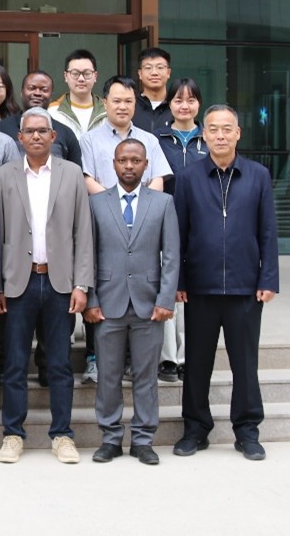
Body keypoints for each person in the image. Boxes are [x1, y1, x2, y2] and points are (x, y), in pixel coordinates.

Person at [173, 105, 279, 462]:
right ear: (203, 134)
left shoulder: (258, 175)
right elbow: (179, 233)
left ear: (238, 133)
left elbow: (268, 231)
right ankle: (195, 429)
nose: (220, 135)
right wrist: (179, 280)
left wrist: (268, 278)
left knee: (245, 364)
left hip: (245, 287)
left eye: (227, 129)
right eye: (214, 129)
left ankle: (247, 431)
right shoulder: (188, 177)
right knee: (197, 363)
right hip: (199, 288)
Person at [0, 108, 94, 465]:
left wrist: (82, 284)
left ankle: (62, 435)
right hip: (17, 284)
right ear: (19, 138)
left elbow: (84, 232)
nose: (36, 136)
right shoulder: (3, 176)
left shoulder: (71, 174)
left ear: (53, 137)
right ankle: (12, 435)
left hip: (60, 283)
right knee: (14, 364)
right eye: (29, 131)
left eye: (42, 131)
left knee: (60, 364)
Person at [85, 139, 181, 466]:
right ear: (113, 164)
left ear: (146, 165)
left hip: (149, 304)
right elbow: (89, 255)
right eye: (123, 160)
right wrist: (91, 299)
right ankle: (110, 438)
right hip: (107, 303)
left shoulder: (163, 203)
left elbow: (171, 256)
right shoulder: (97, 203)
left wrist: (166, 299)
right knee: (108, 376)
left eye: (136, 161)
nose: (129, 166)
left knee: (146, 376)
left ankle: (143, 439)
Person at [155, 76, 206, 382]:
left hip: (201, 226)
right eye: (178, 100)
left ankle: (188, 356)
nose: (184, 106)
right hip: (166, 223)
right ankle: (168, 358)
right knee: (168, 288)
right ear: (169, 104)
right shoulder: (157, 140)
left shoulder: (208, 140)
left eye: (191, 100)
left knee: (193, 292)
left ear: (199, 104)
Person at [0, 71, 83, 166]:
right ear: (21, 93)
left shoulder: (66, 134)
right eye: (31, 88)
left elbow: (75, 172)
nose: (37, 93)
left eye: (44, 90)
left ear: (51, 96)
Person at [49, 49, 106, 134]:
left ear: (95, 76)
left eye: (87, 73)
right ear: (66, 76)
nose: (81, 79)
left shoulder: (107, 110)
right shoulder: (52, 111)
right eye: (75, 73)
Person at [133, 47, 174, 133]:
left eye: (160, 67)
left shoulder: (176, 105)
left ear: (168, 72)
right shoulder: (131, 104)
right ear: (140, 74)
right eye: (148, 68)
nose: (154, 73)